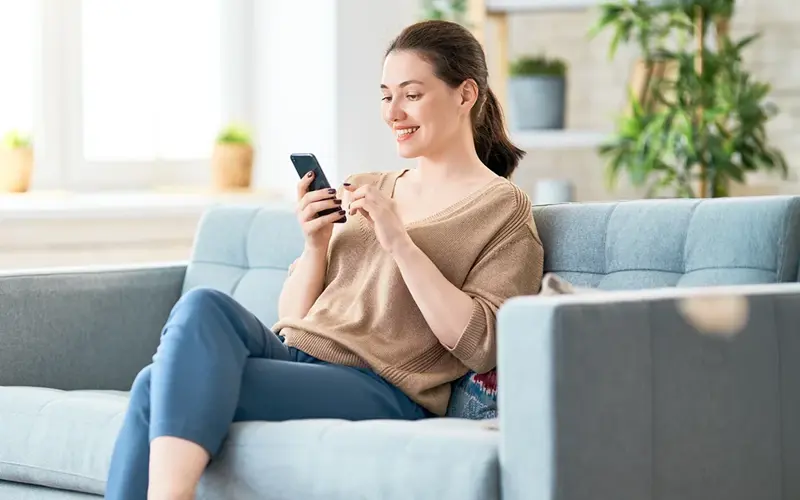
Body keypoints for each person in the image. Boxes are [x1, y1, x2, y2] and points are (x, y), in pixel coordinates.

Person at [104, 19, 545, 500]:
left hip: (383, 386)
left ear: (466, 95)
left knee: (156, 383)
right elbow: (294, 319)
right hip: (300, 356)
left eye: (412, 95)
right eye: (385, 96)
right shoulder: (370, 185)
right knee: (201, 306)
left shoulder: (503, 209)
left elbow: (482, 345)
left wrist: (399, 242)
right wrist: (315, 244)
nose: (393, 112)